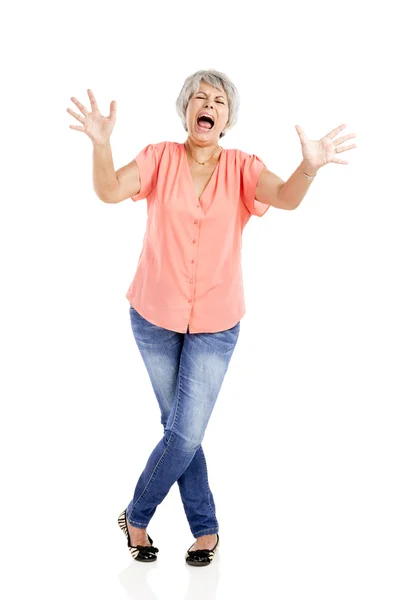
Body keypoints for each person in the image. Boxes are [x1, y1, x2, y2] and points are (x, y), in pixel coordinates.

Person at [67, 69, 357, 566]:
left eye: (218, 100)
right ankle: (205, 530)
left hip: (217, 323)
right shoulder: (159, 158)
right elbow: (110, 190)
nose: (207, 104)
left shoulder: (243, 168)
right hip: (153, 316)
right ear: (186, 110)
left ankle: (136, 515)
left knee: (184, 433)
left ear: (227, 118)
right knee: (182, 429)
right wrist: (101, 143)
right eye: (198, 97)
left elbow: (284, 198)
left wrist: (308, 168)